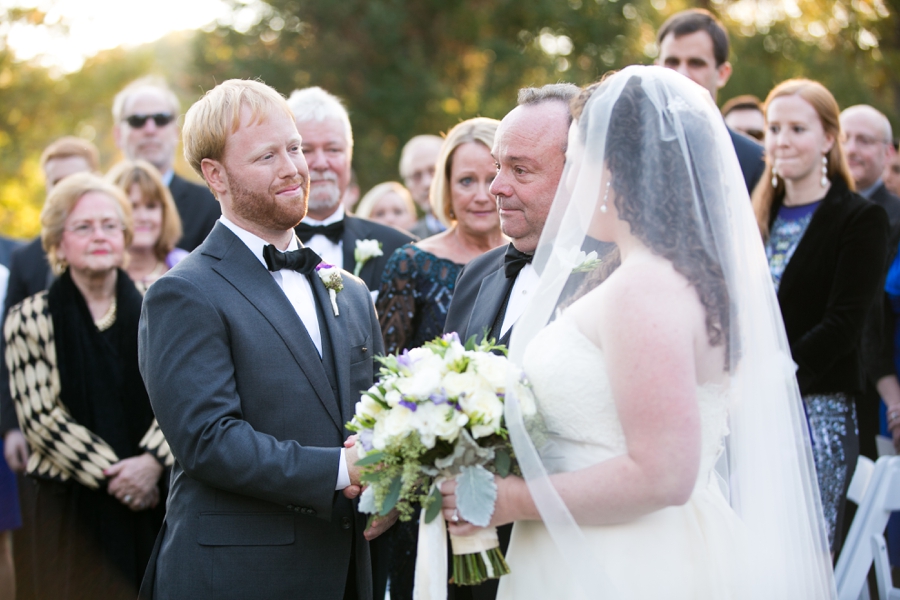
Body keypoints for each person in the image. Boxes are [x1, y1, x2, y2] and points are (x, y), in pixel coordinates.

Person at [440, 65, 837, 599]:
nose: (573, 182)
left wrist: (511, 499)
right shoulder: (672, 275)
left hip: (622, 563)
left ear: (617, 170)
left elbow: (662, 474)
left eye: (577, 162)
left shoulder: (644, 290)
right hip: (610, 545)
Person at [137, 78, 393, 600]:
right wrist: (340, 468)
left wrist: (389, 484)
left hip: (344, 572)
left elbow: (381, 410)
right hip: (235, 578)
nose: (295, 167)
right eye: (267, 156)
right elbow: (208, 440)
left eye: (294, 147)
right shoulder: (183, 293)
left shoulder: (353, 290)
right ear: (216, 176)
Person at [440, 84, 578, 600]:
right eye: (499, 166)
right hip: (472, 560)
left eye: (520, 170)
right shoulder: (476, 275)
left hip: (569, 558)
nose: (494, 188)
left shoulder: (617, 283)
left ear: (579, 175)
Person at [4, 172, 169, 599]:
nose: (99, 235)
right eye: (83, 227)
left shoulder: (164, 307)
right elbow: (41, 419)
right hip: (67, 514)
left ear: (125, 236)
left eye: (110, 225)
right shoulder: (28, 318)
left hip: (156, 504)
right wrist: (120, 477)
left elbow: (181, 400)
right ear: (57, 243)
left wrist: (151, 463)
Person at [753, 79, 889, 557]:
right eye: (773, 128)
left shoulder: (859, 219)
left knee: (802, 555)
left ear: (829, 138)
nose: (782, 140)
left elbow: (844, 325)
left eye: (797, 128)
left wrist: (770, 379)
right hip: (750, 414)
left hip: (817, 413)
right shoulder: (756, 217)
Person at [1, 136, 100, 600]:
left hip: (106, 429)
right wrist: (10, 429)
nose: (65, 191)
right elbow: (7, 351)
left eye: (76, 181)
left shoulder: (112, 253)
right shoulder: (24, 259)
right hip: (39, 434)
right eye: (56, 183)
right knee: (37, 557)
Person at [286, 87, 414, 296]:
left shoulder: (402, 250)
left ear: (349, 156)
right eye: (305, 150)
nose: (320, 163)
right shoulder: (261, 251)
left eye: (333, 149)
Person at [839, 105, 900, 463]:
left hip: (873, 387)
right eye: (845, 139)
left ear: (887, 152)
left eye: (864, 140)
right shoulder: (816, 209)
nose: (852, 150)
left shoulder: (894, 216)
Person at [656, 9, 765, 192]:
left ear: (722, 74)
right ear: (656, 68)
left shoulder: (755, 160)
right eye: (672, 62)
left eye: (696, 63)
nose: (681, 73)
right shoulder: (630, 147)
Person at [113, 76, 220, 251]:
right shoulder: (98, 203)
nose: (150, 129)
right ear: (118, 135)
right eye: (137, 121)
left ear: (176, 132)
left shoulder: (210, 206)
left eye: (161, 119)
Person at [107, 159, 188, 292]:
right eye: (132, 206)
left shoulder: (186, 267)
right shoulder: (97, 270)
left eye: (151, 206)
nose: (143, 217)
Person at [400, 135, 446, 238]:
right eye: (417, 176)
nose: (427, 183)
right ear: (409, 187)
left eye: (433, 170)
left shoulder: (482, 227)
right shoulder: (407, 241)